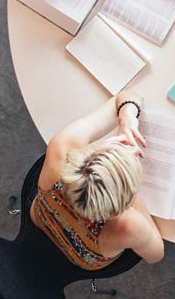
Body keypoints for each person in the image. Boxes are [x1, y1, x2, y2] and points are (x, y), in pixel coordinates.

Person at [30, 89, 165, 268]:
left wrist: (127, 117)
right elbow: (156, 255)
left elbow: (126, 95)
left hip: (41, 217)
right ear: (124, 205)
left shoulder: (61, 148)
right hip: (81, 258)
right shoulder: (129, 225)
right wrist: (133, 194)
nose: (130, 147)